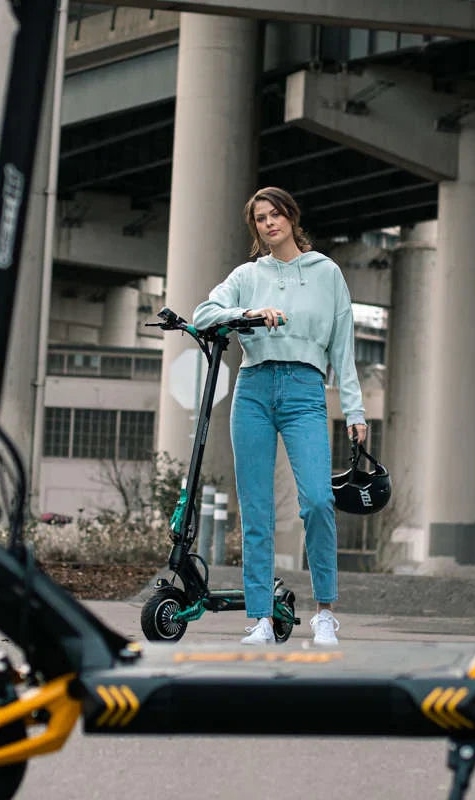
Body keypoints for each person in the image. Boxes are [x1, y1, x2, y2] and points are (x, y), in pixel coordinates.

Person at [192, 186, 367, 647]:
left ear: (291, 217)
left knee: (317, 501)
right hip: (252, 390)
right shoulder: (249, 275)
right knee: (256, 510)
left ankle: (325, 613)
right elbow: (204, 313)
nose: (269, 223)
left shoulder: (326, 272)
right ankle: (261, 620)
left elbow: (343, 346)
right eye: (260, 219)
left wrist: (355, 409)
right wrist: (247, 313)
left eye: (275, 215)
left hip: (305, 392)